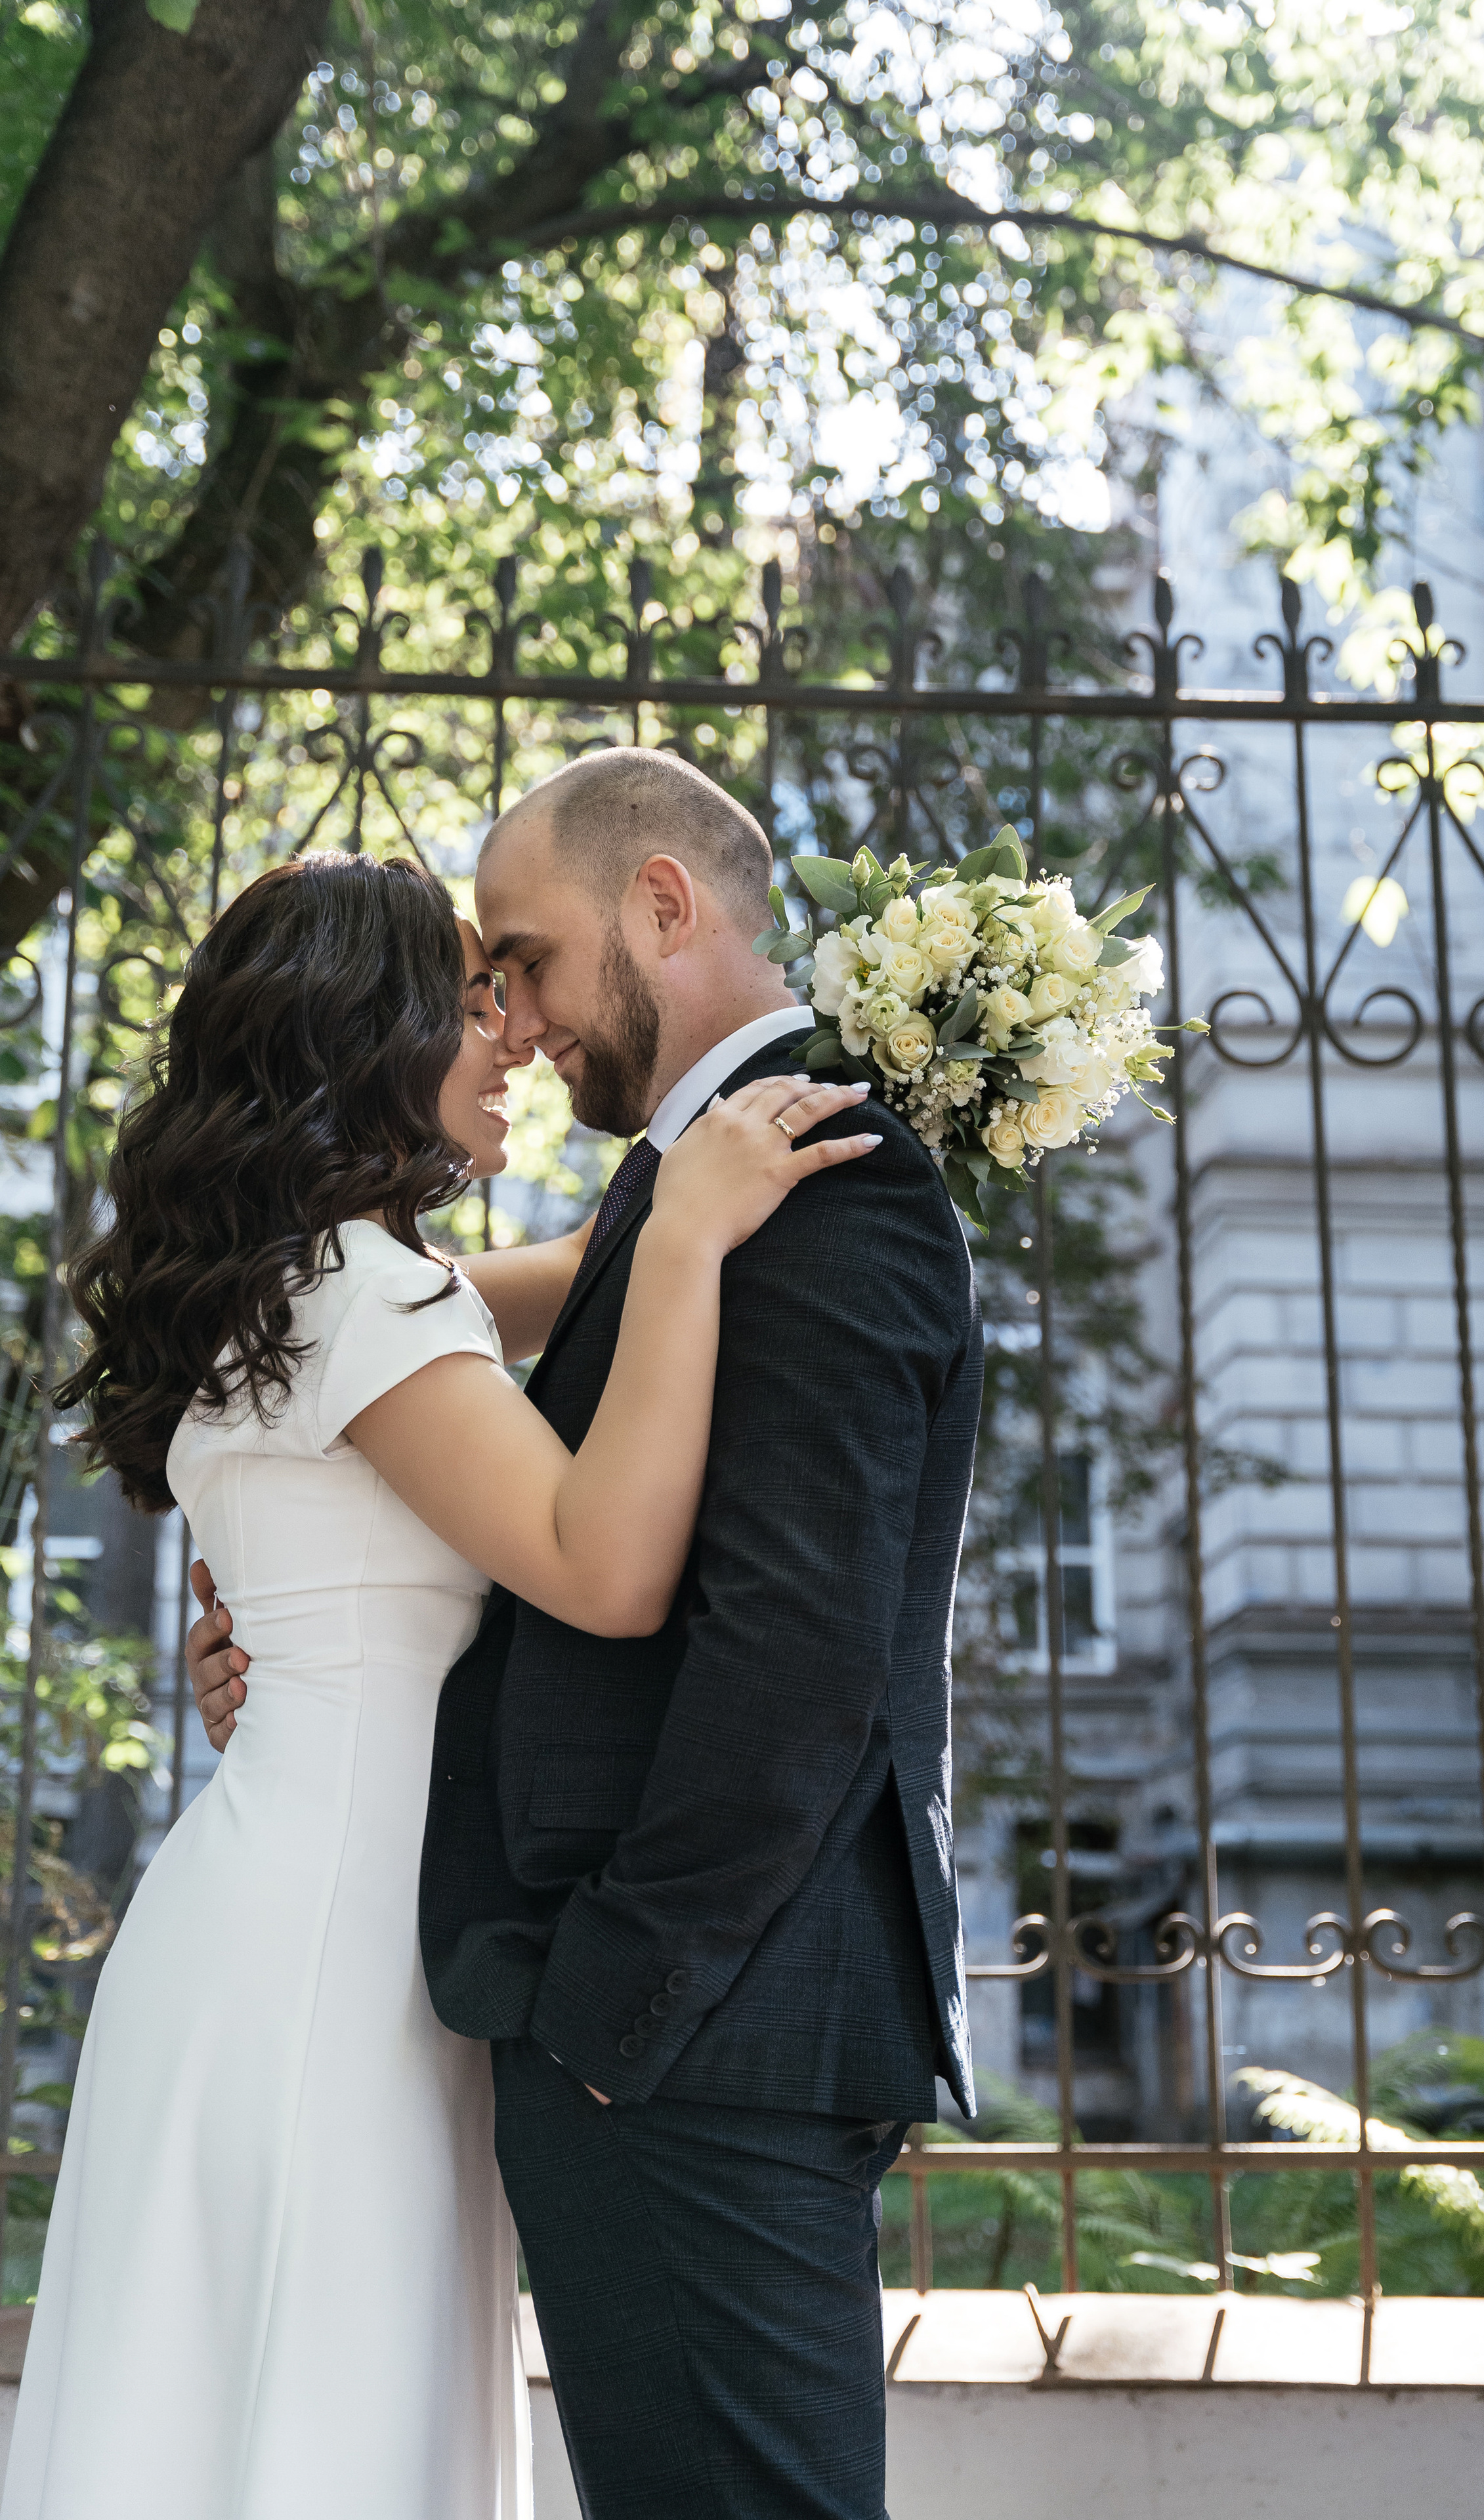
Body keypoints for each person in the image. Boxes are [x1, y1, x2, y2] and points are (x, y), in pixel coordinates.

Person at [2, 849, 877, 2520]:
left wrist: (674, 1179)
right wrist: (688, 1239)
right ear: (372, 1034)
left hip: (275, 1923)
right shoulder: (361, 1292)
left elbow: (537, 1289)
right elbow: (604, 1572)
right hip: (332, 1968)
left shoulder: (299, 1282)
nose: (516, 1040)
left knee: (240, 2429)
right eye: (473, 1003)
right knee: (327, 2435)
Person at [196, 749, 985, 2520]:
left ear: (662, 904)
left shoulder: (817, 1180)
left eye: (527, 958)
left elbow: (800, 1654)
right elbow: (386, 1331)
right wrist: (285, 1557)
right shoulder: (686, 1188)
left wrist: (612, 2008)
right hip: (676, 2031)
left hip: (693, 2031)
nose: (517, 1014)